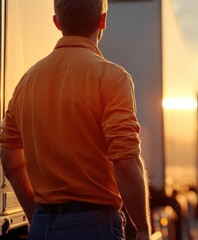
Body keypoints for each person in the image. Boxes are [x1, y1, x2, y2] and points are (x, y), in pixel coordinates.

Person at [0, 0, 151, 239]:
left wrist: (36, 214)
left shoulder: (26, 82)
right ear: (103, 21)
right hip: (94, 226)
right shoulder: (112, 78)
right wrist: (143, 229)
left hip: (42, 226)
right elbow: (124, 160)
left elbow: (8, 155)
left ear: (57, 23)